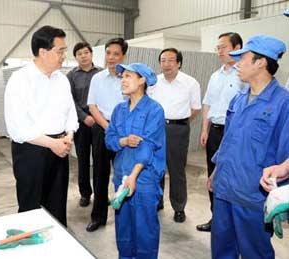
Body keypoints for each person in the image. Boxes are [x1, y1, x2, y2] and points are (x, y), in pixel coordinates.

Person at [208, 35, 289, 258]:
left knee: (255, 252)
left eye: (243, 58)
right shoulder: (238, 99)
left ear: (261, 62)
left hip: (253, 196)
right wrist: (216, 172)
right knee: (222, 249)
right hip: (225, 190)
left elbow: (286, 155)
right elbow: (228, 141)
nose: (237, 64)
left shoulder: (283, 103)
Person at [4, 26, 78, 227]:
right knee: (31, 208)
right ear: (43, 52)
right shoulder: (20, 80)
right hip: (31, 151)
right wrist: (52, 143)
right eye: (60, 50)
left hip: (60, 148)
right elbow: (18, 126)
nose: (64, 55)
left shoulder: (61, 79)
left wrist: (68, 135)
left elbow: (70, 112)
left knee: (57, 206)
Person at [105, 63, 165, 259]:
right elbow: (109, 139)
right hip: (122, 176)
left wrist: (133, 176)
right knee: (123, 230)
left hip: (143, 179)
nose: (123, 80)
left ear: (142, 81)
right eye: (122, 76)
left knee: (144, 230)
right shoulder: (118, 110)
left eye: (128, 76)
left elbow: (147, 146)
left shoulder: (154, 110)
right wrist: (123, 141)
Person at [196, 32, 245, 232]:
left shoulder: (244, 74)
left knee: (233, 176)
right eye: (218, 47)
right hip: (215, 131)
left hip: (235, 133)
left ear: (237, 47)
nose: (219, 51)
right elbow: (207, 103)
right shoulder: (215, 75)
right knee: (213, 175)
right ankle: (216, 218)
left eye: (223, 46)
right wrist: (204, 129)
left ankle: (234, 222)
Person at [148, 48, 201, 222]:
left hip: (179, 130)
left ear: (179, 63)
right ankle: (157, 201)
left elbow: (195, 109)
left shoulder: (190, 82)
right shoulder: (153, 82)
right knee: (156, 167)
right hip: (156, 129)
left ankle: (179, 207)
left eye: (171, 60)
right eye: (163, 60)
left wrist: (180, 122)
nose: (166, 64)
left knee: (177, 169)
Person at [86, 38, 128, 232]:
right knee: (100, 175)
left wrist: (118, 129)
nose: (111, 57)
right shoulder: (97, 78)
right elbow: (92, 105)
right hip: (101, 129)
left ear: (123, 56)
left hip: (124, 132)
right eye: (108, 53)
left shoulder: (130, 78)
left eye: (116, 54)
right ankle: (98, 216)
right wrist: (105, 126)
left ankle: (125, 215)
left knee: (123, 174)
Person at [67, 42, 101, 207]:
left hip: (99, 122)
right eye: (79, 53)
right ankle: (85, 194)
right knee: (83, 160)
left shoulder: (101, 73)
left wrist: (97, 116)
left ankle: (101, 194)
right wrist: (83, 116)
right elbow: (70, 100)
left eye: (86, 52)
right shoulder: (71, 75)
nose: (83, 56)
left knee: (100, 160)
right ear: (76, 57)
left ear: (91, 54)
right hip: (81, 123)